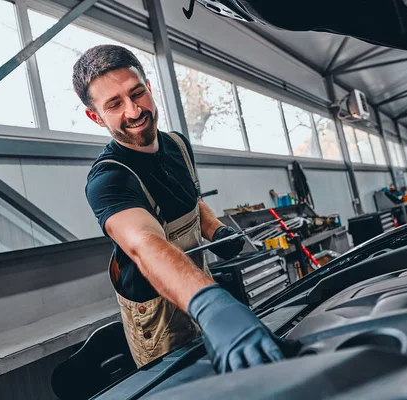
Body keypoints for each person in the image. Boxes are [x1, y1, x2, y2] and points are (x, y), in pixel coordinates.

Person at [73, 44, 289, 372]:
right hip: (159, 319)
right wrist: (213, 306)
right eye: (114, 104)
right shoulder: (108, 179)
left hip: (198, 283)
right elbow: (146, 245)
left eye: (137, 93)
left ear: (149, 87)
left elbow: (192, 201)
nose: (133, 111)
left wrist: (216, 229)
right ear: (95, 116)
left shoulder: (177, 145)